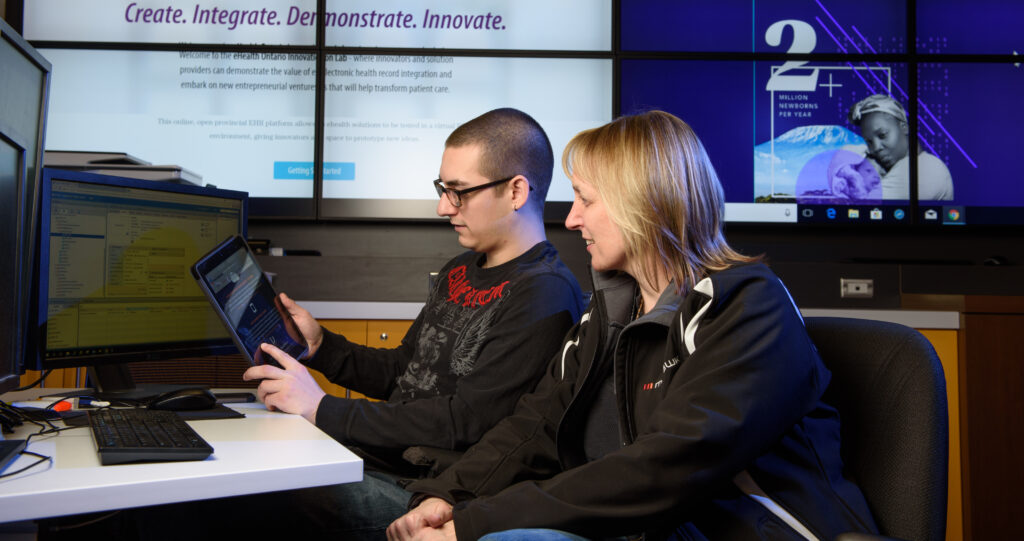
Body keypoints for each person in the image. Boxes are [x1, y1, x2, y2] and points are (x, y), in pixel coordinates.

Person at [68, 108, 585, 541]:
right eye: (441, 188)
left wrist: (319, 408)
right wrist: (321, 347)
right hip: (379, 457)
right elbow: (406, 373)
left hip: (424, 492)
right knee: (203, 478)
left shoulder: (545, 293)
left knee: (220, 496)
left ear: (517, 191)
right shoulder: (460, 269)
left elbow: (464, 421)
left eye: (458, 192)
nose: (442, 207)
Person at [388, 110, 878, 541]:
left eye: (585, 200)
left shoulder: (747, 305)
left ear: (642, 202)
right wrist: (449, 496)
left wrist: (476, 523)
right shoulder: (607, 314)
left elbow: (661, 468)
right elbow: (536, 425)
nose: (572, 219)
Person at [847, 93, 953, 200]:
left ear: (904, 127)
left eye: (882, 135)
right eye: (869, 142)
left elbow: (856, 209)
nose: (876, 148)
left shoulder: (924, 168)